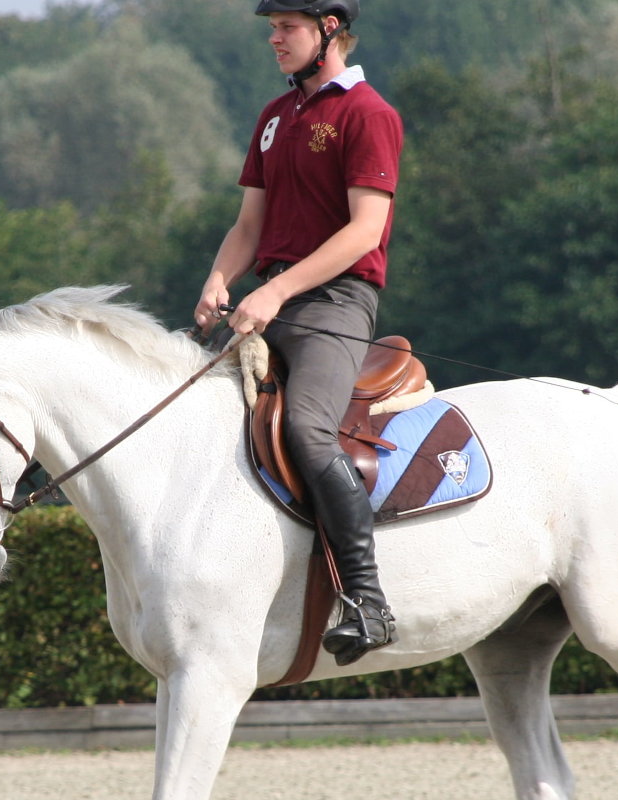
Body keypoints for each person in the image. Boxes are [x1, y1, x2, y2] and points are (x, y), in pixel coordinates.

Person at [193, 0, 403, 667]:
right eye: (272, 29)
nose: (275, 40)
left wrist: (278, 290)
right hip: (268, 299)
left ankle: (367, 599)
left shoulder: (368, 114)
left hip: (336, 302)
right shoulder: (274, 118)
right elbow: (248, 228)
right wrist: (219, 278)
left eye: (287, 28)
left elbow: (364, 232)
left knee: (308, 431)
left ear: (330, 31)